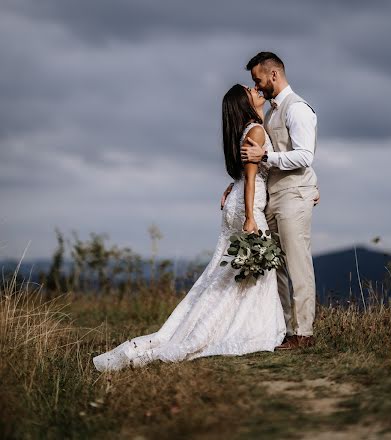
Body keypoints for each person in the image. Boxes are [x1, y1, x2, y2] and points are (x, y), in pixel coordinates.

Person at [93, 84, 285, 371]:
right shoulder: (256, 130)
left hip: (236, 201)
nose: (256, 89)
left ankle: (211, 322)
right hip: (248, 205)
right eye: (250, 90)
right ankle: (238, 328)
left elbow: (244, 176)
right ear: (243, 103)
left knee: (226, 271)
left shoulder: (242, 131)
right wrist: (250, 216)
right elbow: (252, 177)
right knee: (246, 270)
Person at [238, 52, 319, 349]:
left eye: (258, 80)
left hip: (293, 195)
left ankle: (304, 333)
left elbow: (305, 155)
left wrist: (267, 157)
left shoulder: (297, 109)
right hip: (276, 196)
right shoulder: (272, 112)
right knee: (281, 267)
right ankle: (289, 330)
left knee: (297, 264)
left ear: (273, 75)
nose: (256, 87)